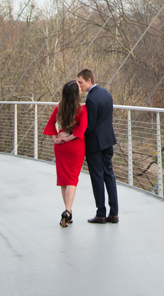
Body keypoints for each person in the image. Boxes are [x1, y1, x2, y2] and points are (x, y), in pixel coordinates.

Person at [43, 80, 88, 227]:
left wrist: (56, 137)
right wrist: (68, 138)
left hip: (60, 147)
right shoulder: (82, 109)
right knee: (72, 179)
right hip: (75, 147)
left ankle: (68, 211)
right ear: (76, 94)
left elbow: (50, 125)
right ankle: (68, 212)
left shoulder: (59, 107)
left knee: (64, 179)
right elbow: (81, 130)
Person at [77, 68, 119, 224]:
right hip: (108, 140)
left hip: (95, 144)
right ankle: (114, 213)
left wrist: (74, 134)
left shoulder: (91, 99)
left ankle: (101, 213)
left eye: (80, 82)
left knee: (97, 177)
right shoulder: (107, 93)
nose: (79, 85)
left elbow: (90, 126)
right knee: (109, 174)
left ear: (89, 80)